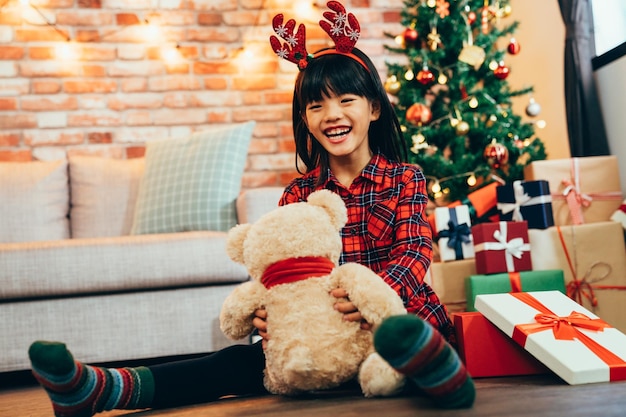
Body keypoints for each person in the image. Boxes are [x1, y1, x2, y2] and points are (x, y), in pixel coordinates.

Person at [27, 3, 474, 416]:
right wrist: (266, 313)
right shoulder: (297, 195)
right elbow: (272, 275)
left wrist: (370, 296)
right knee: (231, 364)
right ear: (304, 120)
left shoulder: (405, 179)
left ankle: (442, 376)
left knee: (407, 345)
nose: (330, 114)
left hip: (391, 321)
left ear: (374, 107)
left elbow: (414, 253)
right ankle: (99, 389)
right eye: (315, 105)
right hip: (317, 343)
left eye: (345, 100)